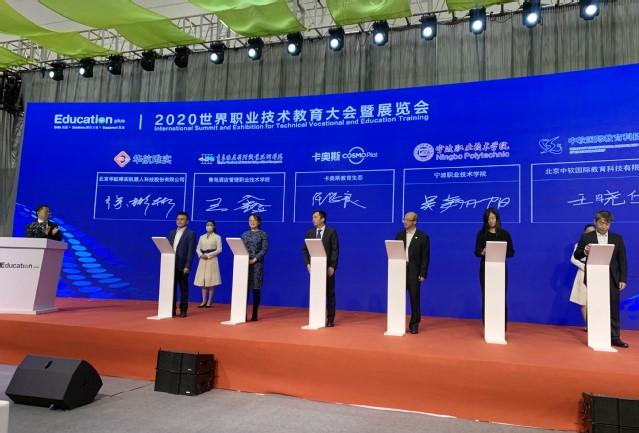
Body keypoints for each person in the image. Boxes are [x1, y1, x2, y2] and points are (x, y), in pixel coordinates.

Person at [574, 210, 628, 348]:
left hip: (612, 278)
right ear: (595, 222)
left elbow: (622, 260)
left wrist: (622, 279)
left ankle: (615, 337)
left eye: (607, 223)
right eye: (601, 223)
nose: (604, 226)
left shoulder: (617, 238)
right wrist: (585, 251)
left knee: (613, 308)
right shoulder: (587, 237)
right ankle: (595, 335)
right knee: (595, 307)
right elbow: (577, 255)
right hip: (594, 277)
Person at [474, 208, 515, 327]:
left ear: (497, 218)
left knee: (501, 297)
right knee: (486, 297)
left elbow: (512, 252)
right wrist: (482, 252)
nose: (490, 221)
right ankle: (487, 326)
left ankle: (502, 326)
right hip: (485, 269)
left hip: (500, 269)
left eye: (492, 218)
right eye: (488, 219)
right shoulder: (481, 234)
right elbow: (476, 252)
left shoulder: (505, 234)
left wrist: (501, 251)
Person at [302, 210, 339, 327]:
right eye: (313, 217)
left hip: (327, 268)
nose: (313, 219)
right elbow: (304, 250)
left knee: (329, 293)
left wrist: (332, 266)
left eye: (315, 217)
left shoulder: (331, 232)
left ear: (322, 219)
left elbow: (335, 250)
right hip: (315, 268)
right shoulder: (310, 233)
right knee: (316, 293)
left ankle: (330, 319)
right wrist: (307, 264)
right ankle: (316, 317)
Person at [395, 211, 430, 334]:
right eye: (404, 219)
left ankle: (414, 324)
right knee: (398, 297)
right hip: (400, 270)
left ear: (415, 222)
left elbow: (425, 257)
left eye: (407, 220)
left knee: (414, 298)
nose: (404, 222)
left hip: (414, 271)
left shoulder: (423, 237)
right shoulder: (399, 235)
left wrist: (423, 273)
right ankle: (397, 323)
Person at [167, 211, 196, 318]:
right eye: (178, 219)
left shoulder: (190, 233)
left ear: (187, 221)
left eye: (182, 219)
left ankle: (183, 309)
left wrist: (187, 266)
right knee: (171, 288)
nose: (179, 221)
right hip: (171, 265)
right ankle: (172, 309)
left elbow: (191, 251)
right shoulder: (171, 233)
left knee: (183, 289)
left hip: (183, 266)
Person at [241, 214, 269, 321]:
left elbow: (264, 249)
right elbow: (241, 247)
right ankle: (242, 312)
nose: (252, 222)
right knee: (244, 288)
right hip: (245, 263)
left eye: (254, 220)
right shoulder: (244, 234)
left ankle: (254, 312)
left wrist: (255, 259)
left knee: (256, 288)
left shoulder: (263, 234)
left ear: (259, 222)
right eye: (250, 220)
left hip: (257, 264)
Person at [569, 224, 596, 329]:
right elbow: (573, 259)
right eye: (588, 232)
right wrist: (585, 267)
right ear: (584, 233)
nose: (590, 234)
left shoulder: (600, 245)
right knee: (583, 301)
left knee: (595, 301)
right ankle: (589, 325)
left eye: (592, 232)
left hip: (597, 275)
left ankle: (597, 324)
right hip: (583, 274)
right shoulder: (579, 245)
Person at [194, 220, 222, 309]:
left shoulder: (217, 237)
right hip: (202, 259)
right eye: (207, 225)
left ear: (214, 226)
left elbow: (219, 249)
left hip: (212, 259)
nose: (208, 226)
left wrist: (208, 255)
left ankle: (209, 300)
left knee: (211, 280)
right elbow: (197, 248)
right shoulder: (202, 237)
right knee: (203, 280)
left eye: (210, 225)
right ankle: (203, 300)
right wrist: (200, 255)